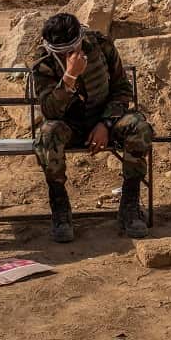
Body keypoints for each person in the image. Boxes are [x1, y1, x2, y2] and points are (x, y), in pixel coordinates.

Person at [31, 13, 153, 242]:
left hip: (106, 121)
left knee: (139, 127)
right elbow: (49, 111)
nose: (68, 55)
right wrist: (69, 76)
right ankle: (60, 209)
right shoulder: (44, 61)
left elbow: (122, 90)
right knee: (47, 134)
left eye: (72, 48)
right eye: (61, 52)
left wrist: (105, 123)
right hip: (69, 125)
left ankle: (129, 205)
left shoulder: (100, 45)